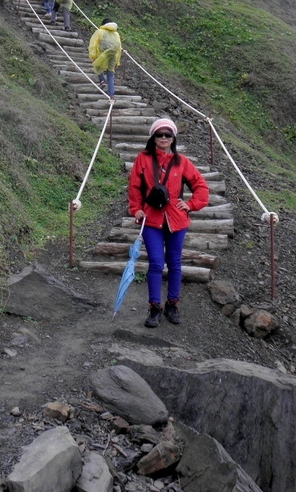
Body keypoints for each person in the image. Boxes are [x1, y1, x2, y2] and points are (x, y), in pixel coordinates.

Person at [126, 117, 210, 328]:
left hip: (176, 219)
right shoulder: (143, 159)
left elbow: (201, 187)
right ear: (153, 137)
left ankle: (172, 303)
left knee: (174, 263)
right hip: (151, 219)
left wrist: (190, 205)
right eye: (159, 134)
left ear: (173, 138)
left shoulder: (182, 162)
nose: (163, 138)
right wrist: (135, 209)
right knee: (155, 263)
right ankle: (154, 307)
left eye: (167, 134)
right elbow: (134, 187)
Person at [88, 18, 122, 99]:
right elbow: (119, 48)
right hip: (112, 55)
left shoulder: (99, 32)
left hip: (102, 53)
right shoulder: (116, 34)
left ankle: (102, 80)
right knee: (110, 74)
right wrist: (117, 61)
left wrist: (92, 56)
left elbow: (93, 44)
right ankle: (111, 94)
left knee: (97, 65)